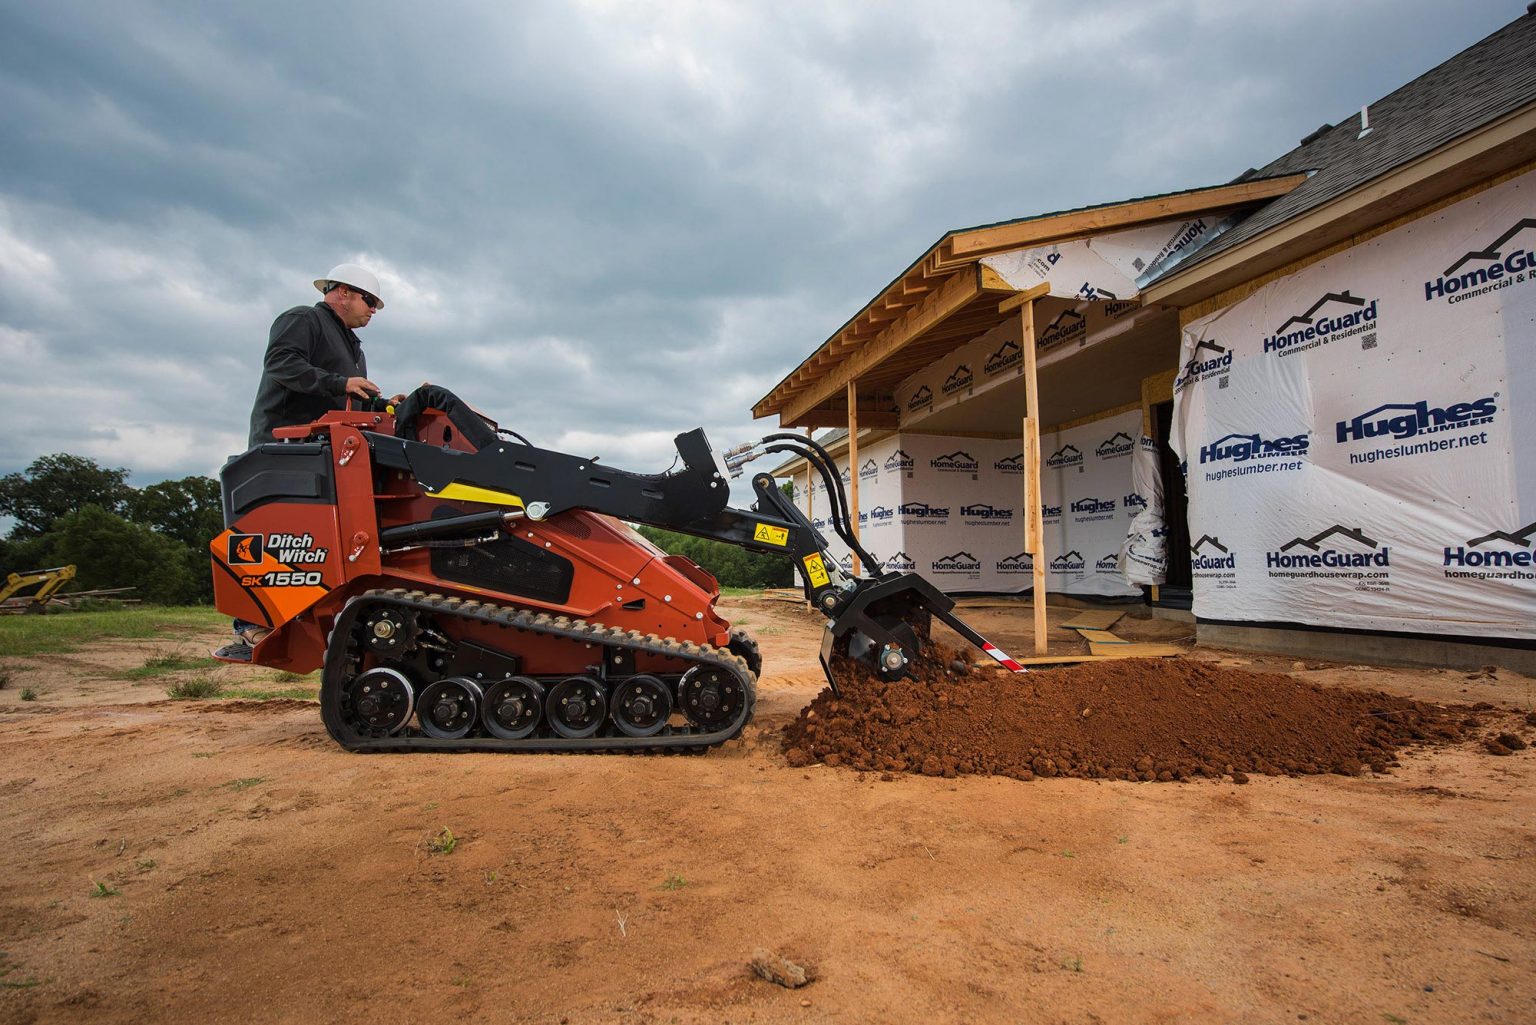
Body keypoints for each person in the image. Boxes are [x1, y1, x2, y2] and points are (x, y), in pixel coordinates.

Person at [217, 263, 398, 661]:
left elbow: (349, 398)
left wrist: (386, 405)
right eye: (371, 302)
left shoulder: (353, 347)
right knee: (271, 536)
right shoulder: (304, 319)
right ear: (343, 293)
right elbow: (281, 364)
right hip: (282, 447)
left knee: (317, 547)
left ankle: (314, 623)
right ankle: (250, 625)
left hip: (323, 454)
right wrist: (339, 383)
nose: (373, 311)